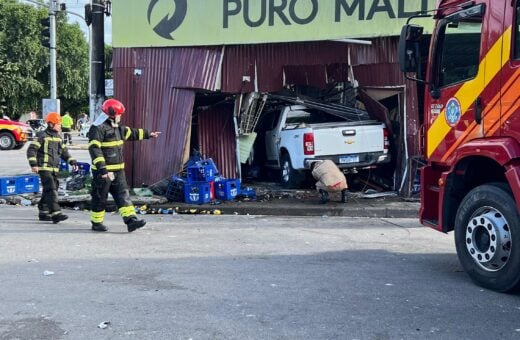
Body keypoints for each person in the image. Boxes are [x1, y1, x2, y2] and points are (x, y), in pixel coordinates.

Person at [88, 99, 161, 232]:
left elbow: (131, 133)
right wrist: (103, 169)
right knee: (100, 198)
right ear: (112, 114)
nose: (120, 116)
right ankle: (96, 222)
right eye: (119, 114)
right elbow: (94, 149)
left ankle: (131, 221)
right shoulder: (97, 128)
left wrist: (148, 134)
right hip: (103, 172)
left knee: (123, 195)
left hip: (118, 170)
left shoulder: (118, 126)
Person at [26, 112, 78, 223]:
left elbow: (64, 153)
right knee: (51, 189)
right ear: (51, 124)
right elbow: (31, 150)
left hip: (54, 169)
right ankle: (56, 213)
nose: (60, 126)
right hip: (44, 168)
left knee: (49, 190)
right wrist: (34, 165)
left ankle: (43, 212)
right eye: (58, 124)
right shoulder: (42, 136)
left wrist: (72, 162)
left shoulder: (59, 138)